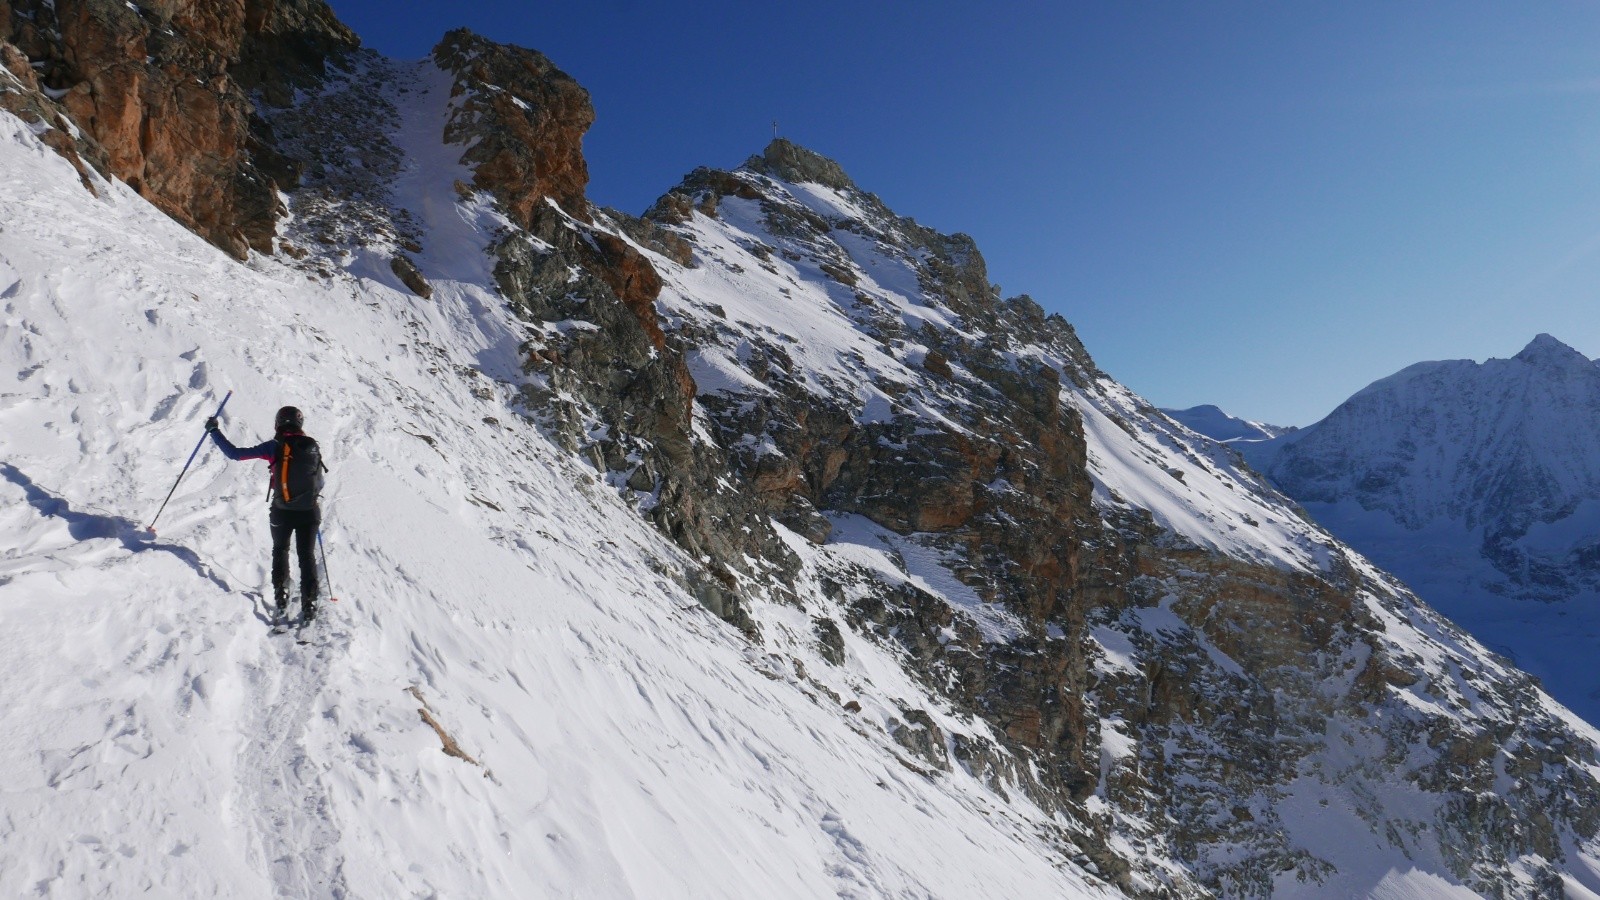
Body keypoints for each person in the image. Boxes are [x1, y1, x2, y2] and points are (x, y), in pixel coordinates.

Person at [206, 405, 325, 623]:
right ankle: (310, 604)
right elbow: (320, 482)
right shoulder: (312, 446)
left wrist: (214, 431)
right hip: (309, 513)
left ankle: (282, 598)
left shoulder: (274, 446)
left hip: (282, 511)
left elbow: (235, 454)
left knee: (280, 550)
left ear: (278, 423)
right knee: (306, 556)